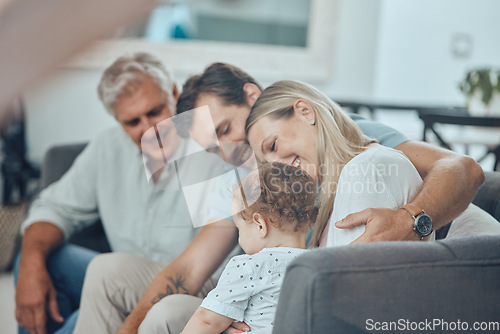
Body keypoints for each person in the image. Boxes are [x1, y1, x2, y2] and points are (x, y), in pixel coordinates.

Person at [78, 63, 485, 334]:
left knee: (165, 315)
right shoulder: (252, 170)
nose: (227, 149)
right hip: (252, 289)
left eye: (224, 129)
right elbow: (191, 266)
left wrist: (411, 217)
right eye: (212, 144)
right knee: (104, 271)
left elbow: (461, 168)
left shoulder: (346, 140)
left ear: (254, 99)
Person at [14, 52, 218, 334]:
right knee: (36, 257)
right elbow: (53, 207)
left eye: (155, 111)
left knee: (80, 317)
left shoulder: (214, 145)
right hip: (120, 282)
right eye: (133, 122)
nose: (149, 130)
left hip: (187, 291)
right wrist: (29, 265)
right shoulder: (108, 148)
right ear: (117, 120)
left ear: (174, 92)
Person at [245, 79, 500, 247]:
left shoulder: (369, 167)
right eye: (266, 162)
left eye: (273, 146)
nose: (276, 166)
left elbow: (465, 167)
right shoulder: (328, 196)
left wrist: (407, 220)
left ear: (305, 112)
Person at [182, 162, 317, 334]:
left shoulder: (249, 267)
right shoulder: (321, 267)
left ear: (260, 225)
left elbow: (207, 321)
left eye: (240, 229)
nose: (240, 239)